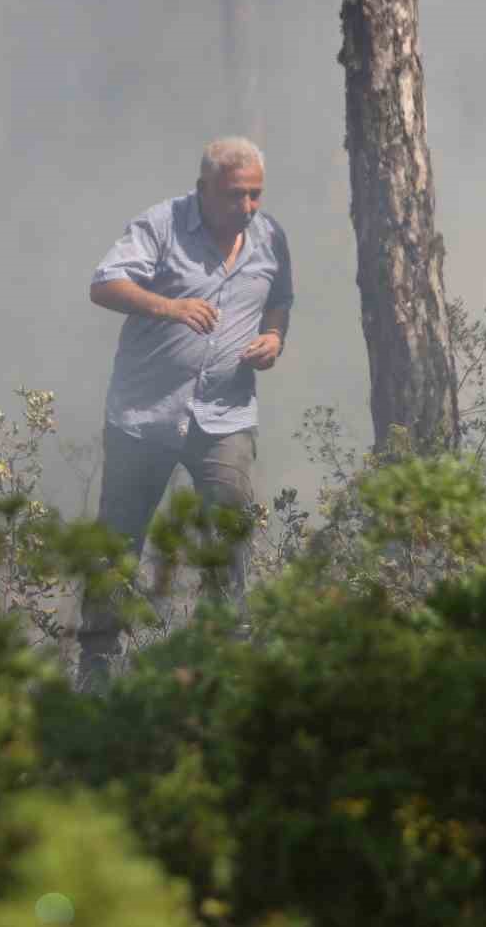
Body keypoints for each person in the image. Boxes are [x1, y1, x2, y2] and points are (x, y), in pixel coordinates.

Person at [77, 137, 293, 692]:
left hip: (225, 416)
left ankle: (226, 664)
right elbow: (104, 284)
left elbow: (280, 299)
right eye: (234, 195)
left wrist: (273, 338)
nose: (246, 207)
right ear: (204, 190)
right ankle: (98, 668)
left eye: (255, 195)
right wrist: (168, 306)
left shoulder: (270, 237)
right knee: (119, 543)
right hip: (144, 416)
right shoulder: (162, 225)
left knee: (229, 535)